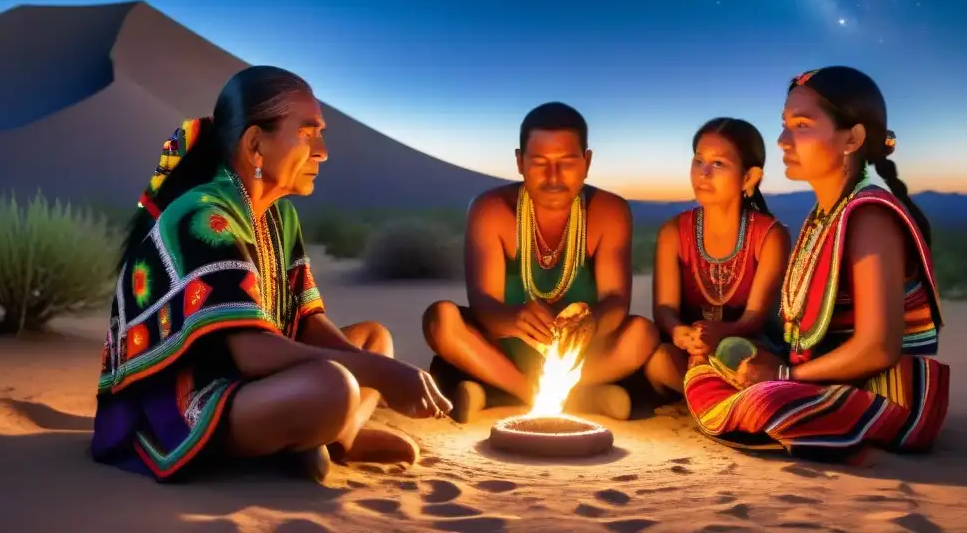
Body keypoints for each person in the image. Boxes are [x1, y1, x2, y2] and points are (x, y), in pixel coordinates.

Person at [91, 66, 451, 483]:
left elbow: (308, 320)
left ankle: (336, 437)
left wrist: (372, 364)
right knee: (335, 386)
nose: (322, 151)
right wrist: (378, 374)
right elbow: (250, 351)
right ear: (256, 144)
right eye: (308, 132)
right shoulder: (204, 216)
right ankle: (304, 437)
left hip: (257, 380)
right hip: (189, 403)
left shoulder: (279, 214)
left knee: (373, 339)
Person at [683, 66, 948, 461]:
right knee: (709, 365)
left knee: (766, 402)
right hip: (819, 378)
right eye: (784, 125)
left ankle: (789, 409)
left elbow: (878, 349)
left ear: (852, 139)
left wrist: (783, 376)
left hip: (883, 389)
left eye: (801, 126)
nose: (782, 140)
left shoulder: (871, 215)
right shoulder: (823, 216)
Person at [422, 102, 660, 423]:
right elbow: (483, 305)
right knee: (441, 319)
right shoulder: (492, 210)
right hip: (502, 352)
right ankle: (543, 395)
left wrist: (590, 323)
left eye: (566, 162)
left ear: (587, 161)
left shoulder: (610, 211)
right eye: (539, 163)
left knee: (642, 334)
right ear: (520, 162)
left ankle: (492, 394)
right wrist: (512, 319)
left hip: (580, 355)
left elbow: (616, 300)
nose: (553, 177)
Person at [644, 118, 791, 395]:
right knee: (659, 361)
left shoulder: (770, 235)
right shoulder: (673, 232)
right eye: (698, 161)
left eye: (718, 164)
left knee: (749, 365)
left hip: (746, 348)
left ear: (749, 177)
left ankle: (710, 398)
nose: (704, 173)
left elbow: (754, 319)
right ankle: (717, 400)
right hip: (690, 350)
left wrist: (720, 334)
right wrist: (680, 333)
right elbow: (664, 309)